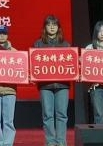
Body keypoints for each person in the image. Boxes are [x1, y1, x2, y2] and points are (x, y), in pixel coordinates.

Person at [32, 15, 71, 146]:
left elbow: (70, 64)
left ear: (58, 27)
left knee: (61, 115)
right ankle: (50, 141)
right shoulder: (38, 44)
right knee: (48, 115)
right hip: (45, 85)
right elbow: (34, 64)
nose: (52, 27)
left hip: (62, 85)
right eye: (49, 25)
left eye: (54, 25)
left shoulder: (66, 45)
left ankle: (61, 141)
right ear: (45, 28)